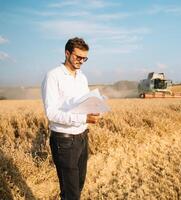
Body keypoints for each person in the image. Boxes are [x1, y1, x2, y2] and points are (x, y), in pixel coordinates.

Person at [41, 37, 100, 200]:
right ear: (67, 53)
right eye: (78, 57)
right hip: (64, 141)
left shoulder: (82, 77)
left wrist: (94, 110)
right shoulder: (53, 76)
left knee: (78, 186)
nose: (81, 61)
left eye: (84, 58)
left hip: (82, 137)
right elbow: (51, 113)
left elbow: (85, 103)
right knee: (71, 192)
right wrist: (84, 118)